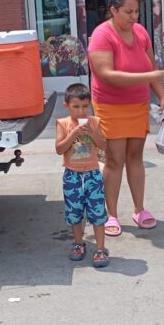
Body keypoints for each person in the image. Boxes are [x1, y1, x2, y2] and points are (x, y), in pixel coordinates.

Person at [88, 0, 164, 237]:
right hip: (110, 104)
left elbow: (151, 65)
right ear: (113, 11)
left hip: (137, 103)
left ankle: (139, 209)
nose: (134, 17)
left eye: (137, 11)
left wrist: (162, 97)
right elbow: (106, 75)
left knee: (135, 156)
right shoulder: (101, 35)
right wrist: (149, 76)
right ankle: (110, 214)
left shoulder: (141, 32)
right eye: (128, 12)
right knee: (114, 160)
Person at [55, 83, 110, 267]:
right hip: (72, 176)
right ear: (67, 106)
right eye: (76, 107)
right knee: (74, 213)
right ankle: (79, 244)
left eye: (85, 106)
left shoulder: (94, 122)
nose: (81, 111)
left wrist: (92, 133)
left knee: (97, 212)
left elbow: (104, 146)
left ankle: (101, 249)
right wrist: (73, 134)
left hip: (93, 175)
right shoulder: (63, 124)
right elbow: (59, 148)